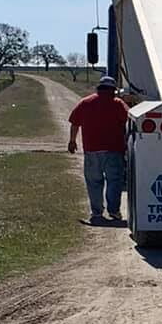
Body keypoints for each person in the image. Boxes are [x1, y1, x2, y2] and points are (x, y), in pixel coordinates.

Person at [68, 75, 130, 225]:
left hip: (92, 150)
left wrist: (72, 141)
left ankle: (97, 213)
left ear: (99, 88)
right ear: (113, 90)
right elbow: (129, 122)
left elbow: (75, 123)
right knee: (114, 181)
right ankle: (114, 211)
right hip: (114, 150)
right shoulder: (118, 104)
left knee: (94, 182)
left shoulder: (85, 102)